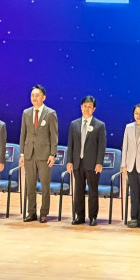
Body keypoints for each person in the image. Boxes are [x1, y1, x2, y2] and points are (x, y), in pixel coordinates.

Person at [19, 84, 59, 223]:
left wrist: (53, 154)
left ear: (44, 97)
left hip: (44, 155)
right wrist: (22, 154)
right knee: (29, 185)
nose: (34, 98)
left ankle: (44, 213)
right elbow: (23, 134)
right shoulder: (26, 113)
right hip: (29, 154)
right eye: (32, 95)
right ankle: (31, 212)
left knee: (45, 185)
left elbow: (54, 136)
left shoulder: (50, 113)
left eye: (37, 95)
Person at [66, 95, 107, 225]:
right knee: (78, 191)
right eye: (85, 106)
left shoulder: (99, 125)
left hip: (92, 164)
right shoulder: (74, 124)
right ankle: (79, 216)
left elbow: (102, 146)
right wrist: (69, 161)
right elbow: (70, 144)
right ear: (81, 107)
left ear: (94, 109)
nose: (87, 109)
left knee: (93, 190)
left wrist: (99, 162)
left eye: (90, 107)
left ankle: (93, 217)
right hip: (77, 163)